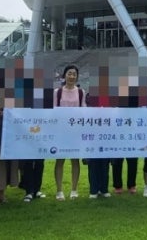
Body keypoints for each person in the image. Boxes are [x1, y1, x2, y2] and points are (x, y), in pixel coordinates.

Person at [53, 64, 86, 200]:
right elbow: (54, 110)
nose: (72, 76)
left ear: (77, 77)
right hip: (61, 131)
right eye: (69, 73)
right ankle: (59, 191)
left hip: (75, 132)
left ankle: (74, 190)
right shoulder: (57, 92)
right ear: (64, 75)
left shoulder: (81, 92)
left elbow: (83, 109)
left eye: (74, 74)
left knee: (75, 160)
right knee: (59, 160)